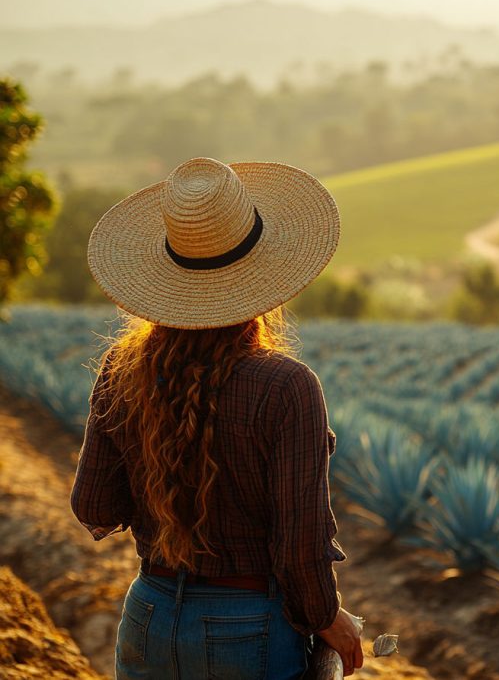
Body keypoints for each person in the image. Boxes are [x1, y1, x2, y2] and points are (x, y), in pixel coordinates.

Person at [70, 157, 364, 678]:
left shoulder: (122, 368)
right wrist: (328, 620)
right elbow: (299, 549)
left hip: (149, 615)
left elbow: (93, 504)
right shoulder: (286, 386)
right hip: (248, 627)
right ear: (265, 276)